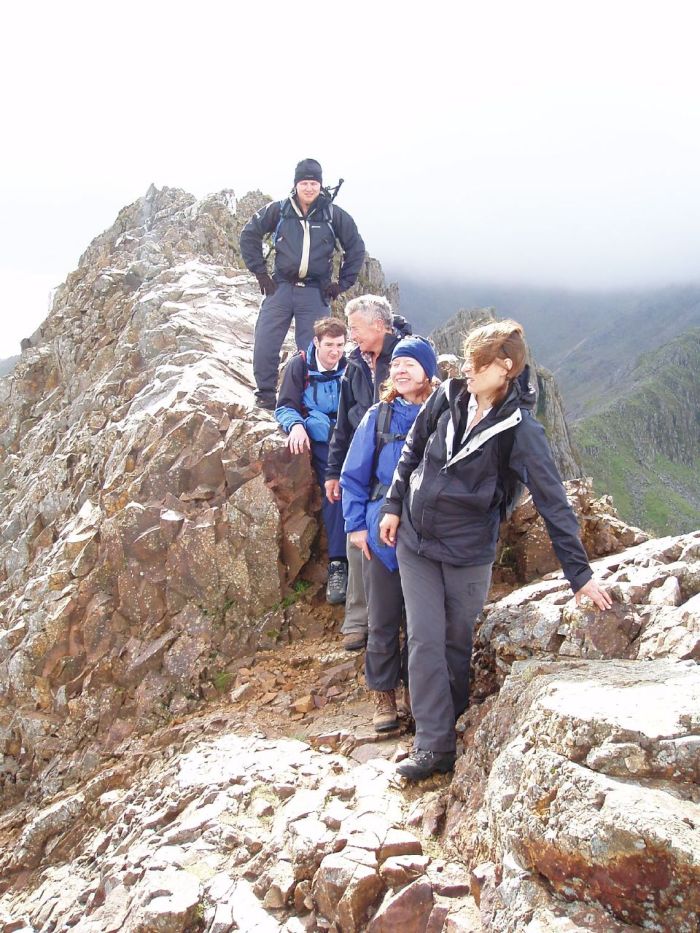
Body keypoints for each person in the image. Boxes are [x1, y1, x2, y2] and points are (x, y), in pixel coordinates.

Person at [379, 319, 612, 781]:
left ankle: (454, 722)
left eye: (476, 362)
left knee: (454, 642)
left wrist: (580, 576)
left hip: (467, 552)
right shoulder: (448, 396)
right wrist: (392, 504)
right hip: (416, 541)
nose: (465, 368)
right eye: (466, 359)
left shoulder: (519, 430)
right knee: (424, 638)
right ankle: (433, 745)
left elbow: (552, 500)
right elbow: (414, 446)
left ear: (504, 367)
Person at [340, 337, 438, 731]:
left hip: (426, 533)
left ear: (428, 374)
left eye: (409, 365)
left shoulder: (440, 417)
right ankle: (384, 697)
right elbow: (353, 476)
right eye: (395, 364)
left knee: (421, 622)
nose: (399, 370)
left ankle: (420, 696)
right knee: (382, 618)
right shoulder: (377, 418)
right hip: (380, 534)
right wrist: (357, 527)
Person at [239, 158, 366, 410]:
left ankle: (306, 397)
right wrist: (260, 273)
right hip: (281, 286)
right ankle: (265, 393)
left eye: (314, 183)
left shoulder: (333, 215)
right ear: (296, 185)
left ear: (320, 185)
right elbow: (249, 234)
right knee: (266, 340)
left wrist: (341, 284)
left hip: (314, 292)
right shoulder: (280, 210)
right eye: (304, 183)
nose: (309, 188)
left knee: (314, 348)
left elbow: (356, 247)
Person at [325, 295, 413, 652]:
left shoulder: (408, 359)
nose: (351, 336)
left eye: (356, 328)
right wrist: (334, 471)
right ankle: (358, 622)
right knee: (357, 538)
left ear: (379, 325)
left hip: (401, 476)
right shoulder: (354, 366)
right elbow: (343, 424)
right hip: (363, 472)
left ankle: (402, 621)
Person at [275, 318, 349, 604]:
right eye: (329, 345)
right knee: (335, 492)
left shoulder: (351, 367)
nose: (335, 352)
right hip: (321, 443)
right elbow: (286, 405)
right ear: (316, 343)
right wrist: (295, 426)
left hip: (349, 437)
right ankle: (339, 564)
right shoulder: (301, 366)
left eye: (340, 345)